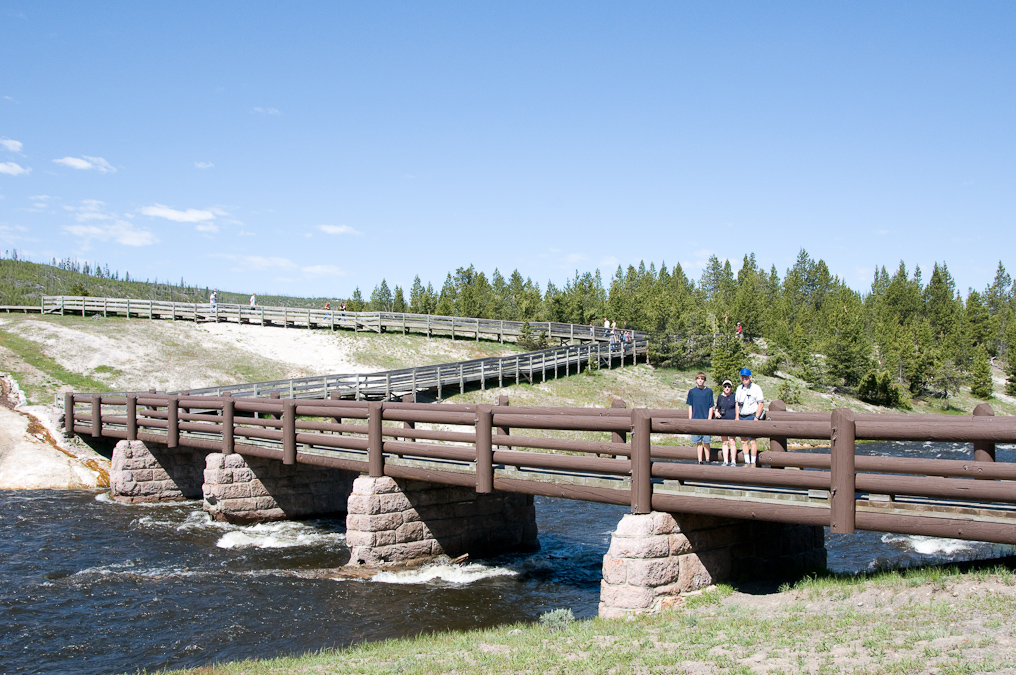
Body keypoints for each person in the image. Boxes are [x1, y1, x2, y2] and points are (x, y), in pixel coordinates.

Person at [735, 368, 765, 466]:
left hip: (751, 416)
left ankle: (753, 462)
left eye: (746, 377)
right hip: (742, 416)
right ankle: (747, 461)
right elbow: (737, 404)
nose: (745, 379)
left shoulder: (756, 388)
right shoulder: (739, 388)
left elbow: (760, 403)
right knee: (743, 441)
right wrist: (737, 417)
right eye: (743, 377)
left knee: (752, 440)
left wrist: (757, 417)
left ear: (750, 377)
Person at [687, 372, 715, 464]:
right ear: (696, 380)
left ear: (704, 380)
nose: (700, 380)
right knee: (698, 442)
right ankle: (700, 460)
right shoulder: (692, 392)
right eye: (699, 379)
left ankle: (707, 459)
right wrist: (690, 419)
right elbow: (690, 406)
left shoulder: (709, 391)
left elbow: (711, 406)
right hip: (696, 419)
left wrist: (709, 419)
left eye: (702, 379)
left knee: (706, 441)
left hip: (705, 420)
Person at [714, 378, 737, 465]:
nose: (727, 388)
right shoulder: (720, 396)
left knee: (732, 441)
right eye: (725, 386)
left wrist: (737, 418)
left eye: (729, 386)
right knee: (724, 442)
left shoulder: (734, 396)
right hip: (722, 421)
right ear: (723, 387)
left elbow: (737, 407)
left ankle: (733, 461)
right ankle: (725, 460)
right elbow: (717, 406)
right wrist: (716, 412)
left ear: (731, 387)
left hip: (732, 421)